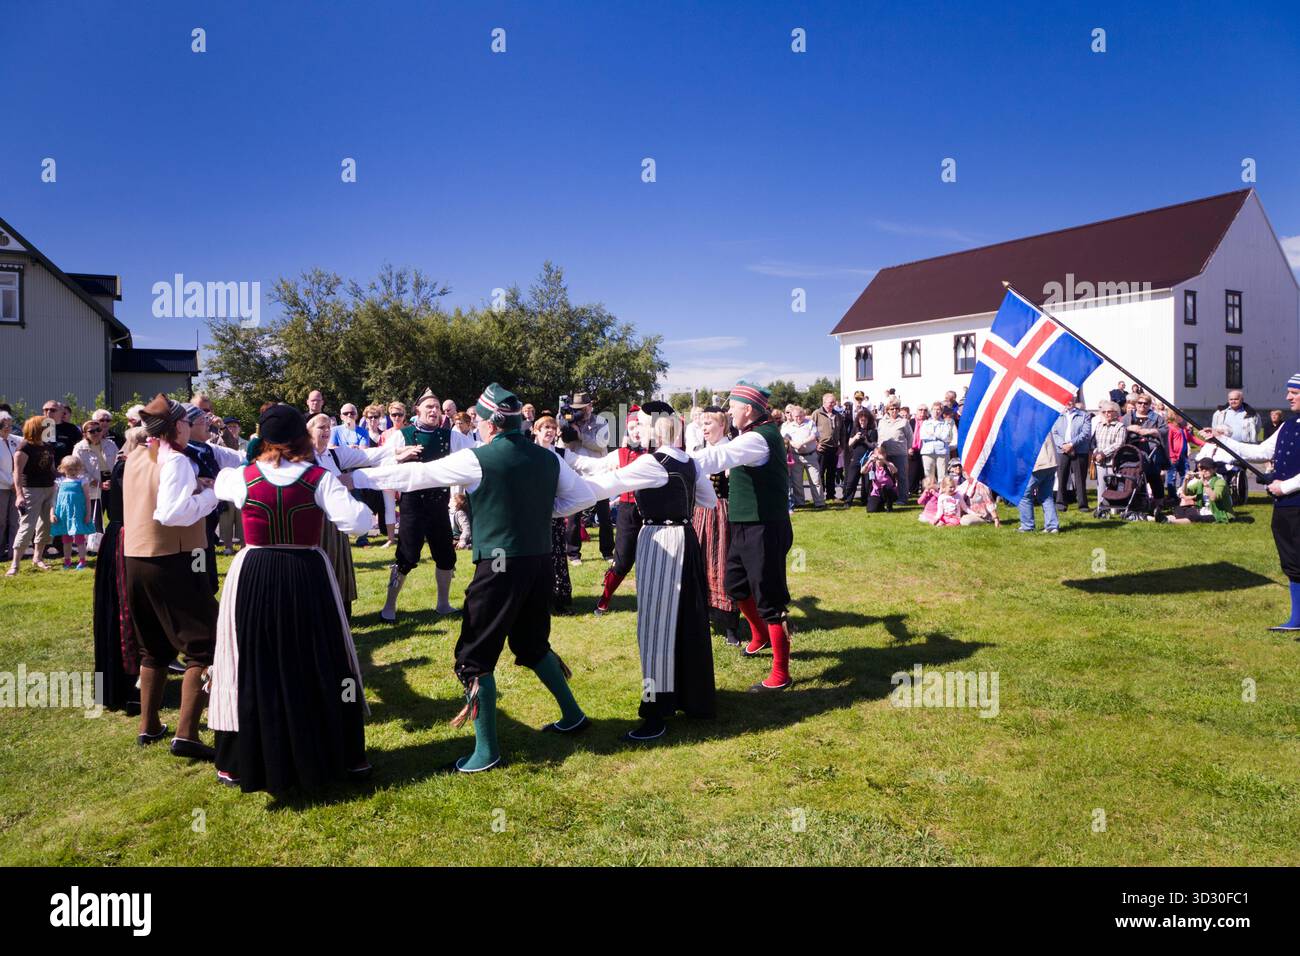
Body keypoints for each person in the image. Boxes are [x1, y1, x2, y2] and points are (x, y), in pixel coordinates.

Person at [354, 383, 597, 773]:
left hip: (499, 565)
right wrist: (544, 515)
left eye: (481, 422)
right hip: (538, 563)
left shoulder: (478, 458)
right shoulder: (548, 458)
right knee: (533, 644)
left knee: (474, 657)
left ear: (489, 424)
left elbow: (418, 475)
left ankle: (486, 751)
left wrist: (357, 479)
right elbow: (583, 498)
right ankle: (572, 715)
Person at [209, 404, 376, 793]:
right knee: (323, 658)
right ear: (301, 436)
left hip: (254, 573)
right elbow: (357, 522)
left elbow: (220, 485)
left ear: (262, 438)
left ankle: (243, 760)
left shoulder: (240, 477)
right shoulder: (320, 478)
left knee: (251, 660)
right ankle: (341, 756)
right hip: (306, 572)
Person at [582, 403, 718, 740]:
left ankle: (655, 712)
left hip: (661, 540)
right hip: (686, 539)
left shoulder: (652, 462)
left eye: (642, 426)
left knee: (655, 627)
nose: (637, 431)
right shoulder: (689, 462)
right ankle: (695, 698)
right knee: (688, 620)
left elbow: (606, 485)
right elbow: (709, 501)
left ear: (658, 429)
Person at [122, 394, 219, 761]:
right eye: (185, 422)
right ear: (177, 426)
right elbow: (173, 512)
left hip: (135, 560)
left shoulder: (134, 457)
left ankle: (149, 725)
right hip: (174, 560)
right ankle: (187, 734)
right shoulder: (177, 460)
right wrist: (209, 494)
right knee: (206, 644)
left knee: (154, 647)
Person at [688, 382, 794, 692]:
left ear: (747, 410)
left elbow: (718, 458)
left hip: (765, 528)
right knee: (734, 583)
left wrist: (674, 462)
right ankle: (759, 634)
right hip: (746, 524)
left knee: (770, 598)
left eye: (732, 407)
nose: (729, 412)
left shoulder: (758, 440)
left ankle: (780, 673)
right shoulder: (754, 435)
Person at [1200, 376, 1300, 630]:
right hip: (1285, 505)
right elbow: (1260, 452)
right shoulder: (1288, 426)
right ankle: (1297, 619)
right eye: (1289, 392)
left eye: (1294, 393)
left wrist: (1285, 486)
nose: (1288, 397)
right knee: (1292, 561)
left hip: (1293, 498)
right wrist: (1219, 440)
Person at [379, 388, 474, 621]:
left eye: (437, 407)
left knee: (445, 556)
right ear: (417, 410)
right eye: (429, 407)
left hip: (439, 504)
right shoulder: (402, 435)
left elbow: (475, 452)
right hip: (412, 504)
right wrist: (398, 457)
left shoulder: (450, 435)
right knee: (406, 557)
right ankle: (388, 607)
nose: (434, 410)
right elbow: (381, 459)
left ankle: (443, 604)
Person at [566, 408, 646, 615]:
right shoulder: (619, 454)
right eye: (632, 427)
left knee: (651, 561)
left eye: (640, 426)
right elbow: (593, 465)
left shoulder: (655, 454)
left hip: (654, 514)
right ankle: (605, 598)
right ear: (626, 431)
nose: (637, 431)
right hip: (628, 511)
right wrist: (562, 454)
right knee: (622, 560)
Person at [94, 426, 144, 713]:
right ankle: (124, 685)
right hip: (124, 539)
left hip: (126, 536)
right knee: (123, 613)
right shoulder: (127, 468)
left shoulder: (127, 466)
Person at [691, 406, 741, 646]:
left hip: (723, 513)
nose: (704, 428)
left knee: (723, 564)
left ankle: (731, 624)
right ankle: (702, 616)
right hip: (700, 513)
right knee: (699, 563)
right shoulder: (698, 452)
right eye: (702, 424)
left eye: (708, 424)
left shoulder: (731, 451)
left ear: (722, 426)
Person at [531, 414, 576, 612]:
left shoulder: (561, 453)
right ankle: (535, 598)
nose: (549, 431)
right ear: (536, 430)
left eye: (552, 427)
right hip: (532, 512)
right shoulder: (528, 452)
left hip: (554, 510)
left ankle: (558, 598)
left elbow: (582, 465)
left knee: (557, 553)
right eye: (545, 427)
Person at [565, 392, 615, 562]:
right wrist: (566, 431)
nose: (580, 411)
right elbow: (565, 447)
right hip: (576, 473)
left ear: (590, 406)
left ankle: (608, 552)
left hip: (598, 473)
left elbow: (600, 444)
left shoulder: (601, 422)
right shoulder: (571, 421)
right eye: (576, 408)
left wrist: (580, 435)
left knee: (604, 516)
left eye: (583, 408)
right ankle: (573, 554)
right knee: (573, 515)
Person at [7, 416, 57, 575]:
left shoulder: (48, 446)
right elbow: (17, 473)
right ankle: (15, 565)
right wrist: (19, 495)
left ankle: (38, 558)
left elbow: (52, 469)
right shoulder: (24, 448)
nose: (48, 429)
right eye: (44, 426)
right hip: (31, 490)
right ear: (36, 428)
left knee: (45, 526)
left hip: (49, 488)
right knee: (27, 526)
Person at [1210, 390, 1261, 506]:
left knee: (1239, 469)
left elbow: (1257, 429)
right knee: (1222, 468)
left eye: (1236, 399)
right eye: (1231, 399)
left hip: (1243, 446)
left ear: (1242, 399)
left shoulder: (1252, 414)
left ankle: (1238, 493)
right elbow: (1214, 428)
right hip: (1224, 447)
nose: (1233, 401)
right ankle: (1222, 492)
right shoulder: (1220, 413)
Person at [74, 418, 117, 552]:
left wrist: (114, 480)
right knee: (95, 516)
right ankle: (95, 547)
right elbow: (78, 470)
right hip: (92, 484)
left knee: (115, 514)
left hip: (112, 481)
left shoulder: (110, 444)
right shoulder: (79, 448)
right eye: (92, 431)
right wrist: (97, 483)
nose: (96, 433)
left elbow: (118, 461)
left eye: (98, 429)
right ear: (85, 434)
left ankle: (113, 543)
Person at [1123, 395, 1169, 512]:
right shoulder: (1128, 417)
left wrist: (1152, 431)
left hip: (1152, 453)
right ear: (1135, 403)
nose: (1142, 405)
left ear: (1149, 405)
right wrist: (1129, 428)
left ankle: (1159, 505)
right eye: (1140, 403)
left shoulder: (1156, 418)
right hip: (1133, 453)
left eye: (1145, 403)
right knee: (1134, 478)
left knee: (1154, 478)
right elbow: (1119, 429)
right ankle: (1135, 503)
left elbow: (1165, 430)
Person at [51, 455, 94, 569]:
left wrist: (88, 514)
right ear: (63, 469)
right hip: (64, 514)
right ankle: (67, 560)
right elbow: (54, 499)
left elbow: (87, 498)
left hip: (78, 514)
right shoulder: (60, 482)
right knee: (66, 539)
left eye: (76, 469)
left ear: (79, 469)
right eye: (70, 469)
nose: (73, 472)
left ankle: (82, 560)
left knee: (80, 538)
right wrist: (52, 513)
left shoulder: (82, 481)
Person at [1052, 397, 1092, 511]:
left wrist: (1071, 444)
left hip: (1079, 450)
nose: (1069, 402)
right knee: (1062, 477)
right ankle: (1061, 503)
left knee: (1080, 479)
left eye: (1071, 400)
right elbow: (1054, 433)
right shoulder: (1057, 415)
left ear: (1074, 401)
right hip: (1062, 450)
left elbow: (1085, 433)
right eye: (1066, 399)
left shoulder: (1084, 415)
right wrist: (1063, 445)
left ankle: (1083, 505)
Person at [781, 405, 824, 509]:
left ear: (804, 415)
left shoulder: (810, 423)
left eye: (800, 416)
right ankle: (800, 502)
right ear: (792, 416)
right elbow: (784, 437)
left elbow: (814, 435)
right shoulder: (788, 426)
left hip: (811, 455)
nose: (798, 418)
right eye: (796, 416)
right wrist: (792, 443)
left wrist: (802, 443)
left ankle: (819, 502)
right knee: (797, 481)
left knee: (816, 480)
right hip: (796, 456)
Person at [1167, 458, 1234, 524]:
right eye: (1202, 469)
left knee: (1194, 518)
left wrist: (1205, 483)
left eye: (1207, 469)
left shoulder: (1220, 482)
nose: (1204, 471)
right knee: (1179, 509)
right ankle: (1163, 518)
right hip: (1203, 510)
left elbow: (1214, 497)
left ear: (1214, 469)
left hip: (1218, 513)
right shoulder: (1200, 483)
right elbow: (1185, 492)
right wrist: (1185, 480)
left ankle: (1170, 521)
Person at [1017, 436, 1060, 533]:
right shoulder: (1042, 421)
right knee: (1046, 496)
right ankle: (1052, 526)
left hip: (1038, 464)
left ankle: (1027, 526)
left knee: (1024, 494)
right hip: (1051, 462)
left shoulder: (1029, 425)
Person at [839, 407, 878, 507]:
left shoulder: (872, 431)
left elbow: (873, 445)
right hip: (855, 458)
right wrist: (856, 437)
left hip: (867, 459)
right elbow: (849, 444)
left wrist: (865, 440)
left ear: (868, 420)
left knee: (867, 483)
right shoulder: (855, 429)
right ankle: (848, 501)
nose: (862, 422)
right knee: (851, 481)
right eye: (861, 420)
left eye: (865, 420)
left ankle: (865, 500)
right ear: (858, 420)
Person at [877, 399, 913, 502]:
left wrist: (907, 449)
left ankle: (902, 498)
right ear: (887, 409)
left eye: (896, 408)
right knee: (886, 476)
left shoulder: (904, 421)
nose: (894, 410)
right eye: (892, 408)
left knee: (901, 477)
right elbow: (879, 436)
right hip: (885, 454)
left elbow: (910, 437)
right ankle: (888, 497)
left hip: (900, 453)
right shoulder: (881, 422)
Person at [1091, 400, 1127, 499]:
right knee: (1101, 486)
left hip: (1113, 461)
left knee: (1113, 485)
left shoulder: (1120, 426)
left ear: (1115, 412)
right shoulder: (1099, 425)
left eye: (1109, 411)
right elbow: (1095, 442)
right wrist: (1096, 454)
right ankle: (1101, 508)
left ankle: (1114, 508)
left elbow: (1119, 444)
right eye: (1104, 412)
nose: (1107, 414)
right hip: (1100, 462)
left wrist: (1103, 454)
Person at [810, 393, 841, 503]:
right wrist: (816, 444)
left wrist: (841, 446)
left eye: (834, 402)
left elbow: (842, 432)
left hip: (834, 448)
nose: (833, 404)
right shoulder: (817, 414)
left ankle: (831, 495)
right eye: (830, 402)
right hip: (821, 448)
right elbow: (810, 430)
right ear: (824, 402)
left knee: (832, 473)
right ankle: (820, 496)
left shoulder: (838, 415)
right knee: (820, 473)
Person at [0, 413, 21, 562]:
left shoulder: (16, 440)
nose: (7, 426)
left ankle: (13, 553)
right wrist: (11, 482)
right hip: (2, 486)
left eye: (9, 423)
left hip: (16, 488)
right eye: (4, 423)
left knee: (15, 520)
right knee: (1, 521)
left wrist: (17, 483)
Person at [919, 401, 953, 486]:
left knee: (943, 475)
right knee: (928, 475)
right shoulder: (925, 423)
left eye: (938, 409)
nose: (936, 411)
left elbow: (946, 437)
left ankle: (942, 494)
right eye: (934, 409)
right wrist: (937, 436)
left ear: (941, 411)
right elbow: (923, 436)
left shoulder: (945, 423)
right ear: (931, 410)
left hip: (942, 452)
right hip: (927, 451)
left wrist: (932, 434)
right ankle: (930, 495)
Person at [863, 448, 898, 512]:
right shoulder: (872, 465)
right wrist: (869, 461)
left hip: (889, 491)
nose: (878, 457)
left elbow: (895, 470)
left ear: (885, 455)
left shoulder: (888, 464)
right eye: (877, 455)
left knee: (886, 488)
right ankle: (881, 505)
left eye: (881, 454)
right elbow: (862, 471)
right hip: (876, 492)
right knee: (871, 510)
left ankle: (889, 506)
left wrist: (884, 461)